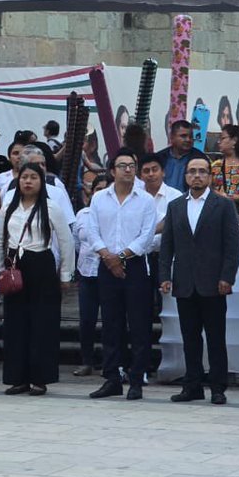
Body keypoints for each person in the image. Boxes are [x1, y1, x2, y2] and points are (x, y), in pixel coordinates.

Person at [160, 156, 239, 405]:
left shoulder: (223, 205)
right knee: (190, 337)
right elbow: (167, 246)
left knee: (216, 337)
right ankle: (192, 385)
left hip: (214, 282)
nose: (197, 175)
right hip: (185, 282)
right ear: (185, 176)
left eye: (202, 171)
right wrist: (164, 276)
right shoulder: (175, 206)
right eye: (192, 171)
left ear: (210, 176)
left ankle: (217, 387)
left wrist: (227, 277)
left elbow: (232, 245)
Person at [0, 163, 75, 396]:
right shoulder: (8, 207)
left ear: (41, 182)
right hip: (14, 266)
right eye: (24, 177)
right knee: (15, 324)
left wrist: (66, 273)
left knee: (43, 324)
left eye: (33, 177)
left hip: (42, 265)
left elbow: (66, 242)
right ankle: (17, 378)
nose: (28, 181)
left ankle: (40, 379)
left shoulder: (51, 207)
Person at [85, 149, 157, 400]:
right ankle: (111, 378)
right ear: (112, 170)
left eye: (131, 165)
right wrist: (108, 256)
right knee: (111, 324)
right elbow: (91, 230)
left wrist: (122, 257)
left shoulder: (146, 200)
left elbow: (147, 236)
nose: (128, 169)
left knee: (138, 325)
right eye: (122, 165)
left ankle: (136, 379)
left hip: (135, 266)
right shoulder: (99, 199)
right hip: (106, 265)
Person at [74, 173, 112, 376]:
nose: (101, 193)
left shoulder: (115, 214)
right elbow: (77, 244)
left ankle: (109, 362)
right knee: (86, 320)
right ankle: (86, 361)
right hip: (86, 275)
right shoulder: (82, 215)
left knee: (110, 320)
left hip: (109, 273)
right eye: (98, 189)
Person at [140, 153, 182, 318]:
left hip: (167, 258)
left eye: (154, 170)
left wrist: (148, 232)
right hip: (141, 257)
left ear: (163, 172)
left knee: (168, 302)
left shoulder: (176, 196)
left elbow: (173, 224)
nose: (151, 174)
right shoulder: (135, 196)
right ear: (140, 175)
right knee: (142, 303)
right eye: (146, 171)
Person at [154, 120, 206, 194]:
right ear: (172, 137)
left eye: (191, 137)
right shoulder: (160, 157)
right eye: (183, 136)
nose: (188, 140)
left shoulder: (200, 159)